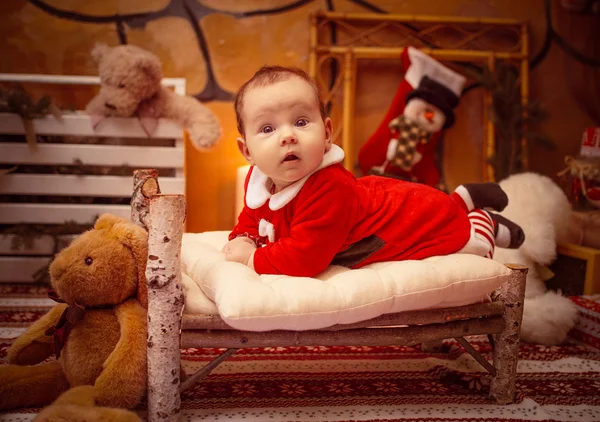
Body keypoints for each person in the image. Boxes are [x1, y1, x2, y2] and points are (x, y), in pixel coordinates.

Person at [222, 65, 524, 277]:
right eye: (267, 128)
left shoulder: (328, 186)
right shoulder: (259, 180)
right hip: (376, 197)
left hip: (404, 219)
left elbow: (307, 257)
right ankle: (463, 197)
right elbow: (252, 220)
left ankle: (481, 220)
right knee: (438, 202)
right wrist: (242, 237)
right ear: (247, 150)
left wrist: (253, 258)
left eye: (301, 122)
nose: (287, 135)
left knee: (458, 235)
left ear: (327, 133)